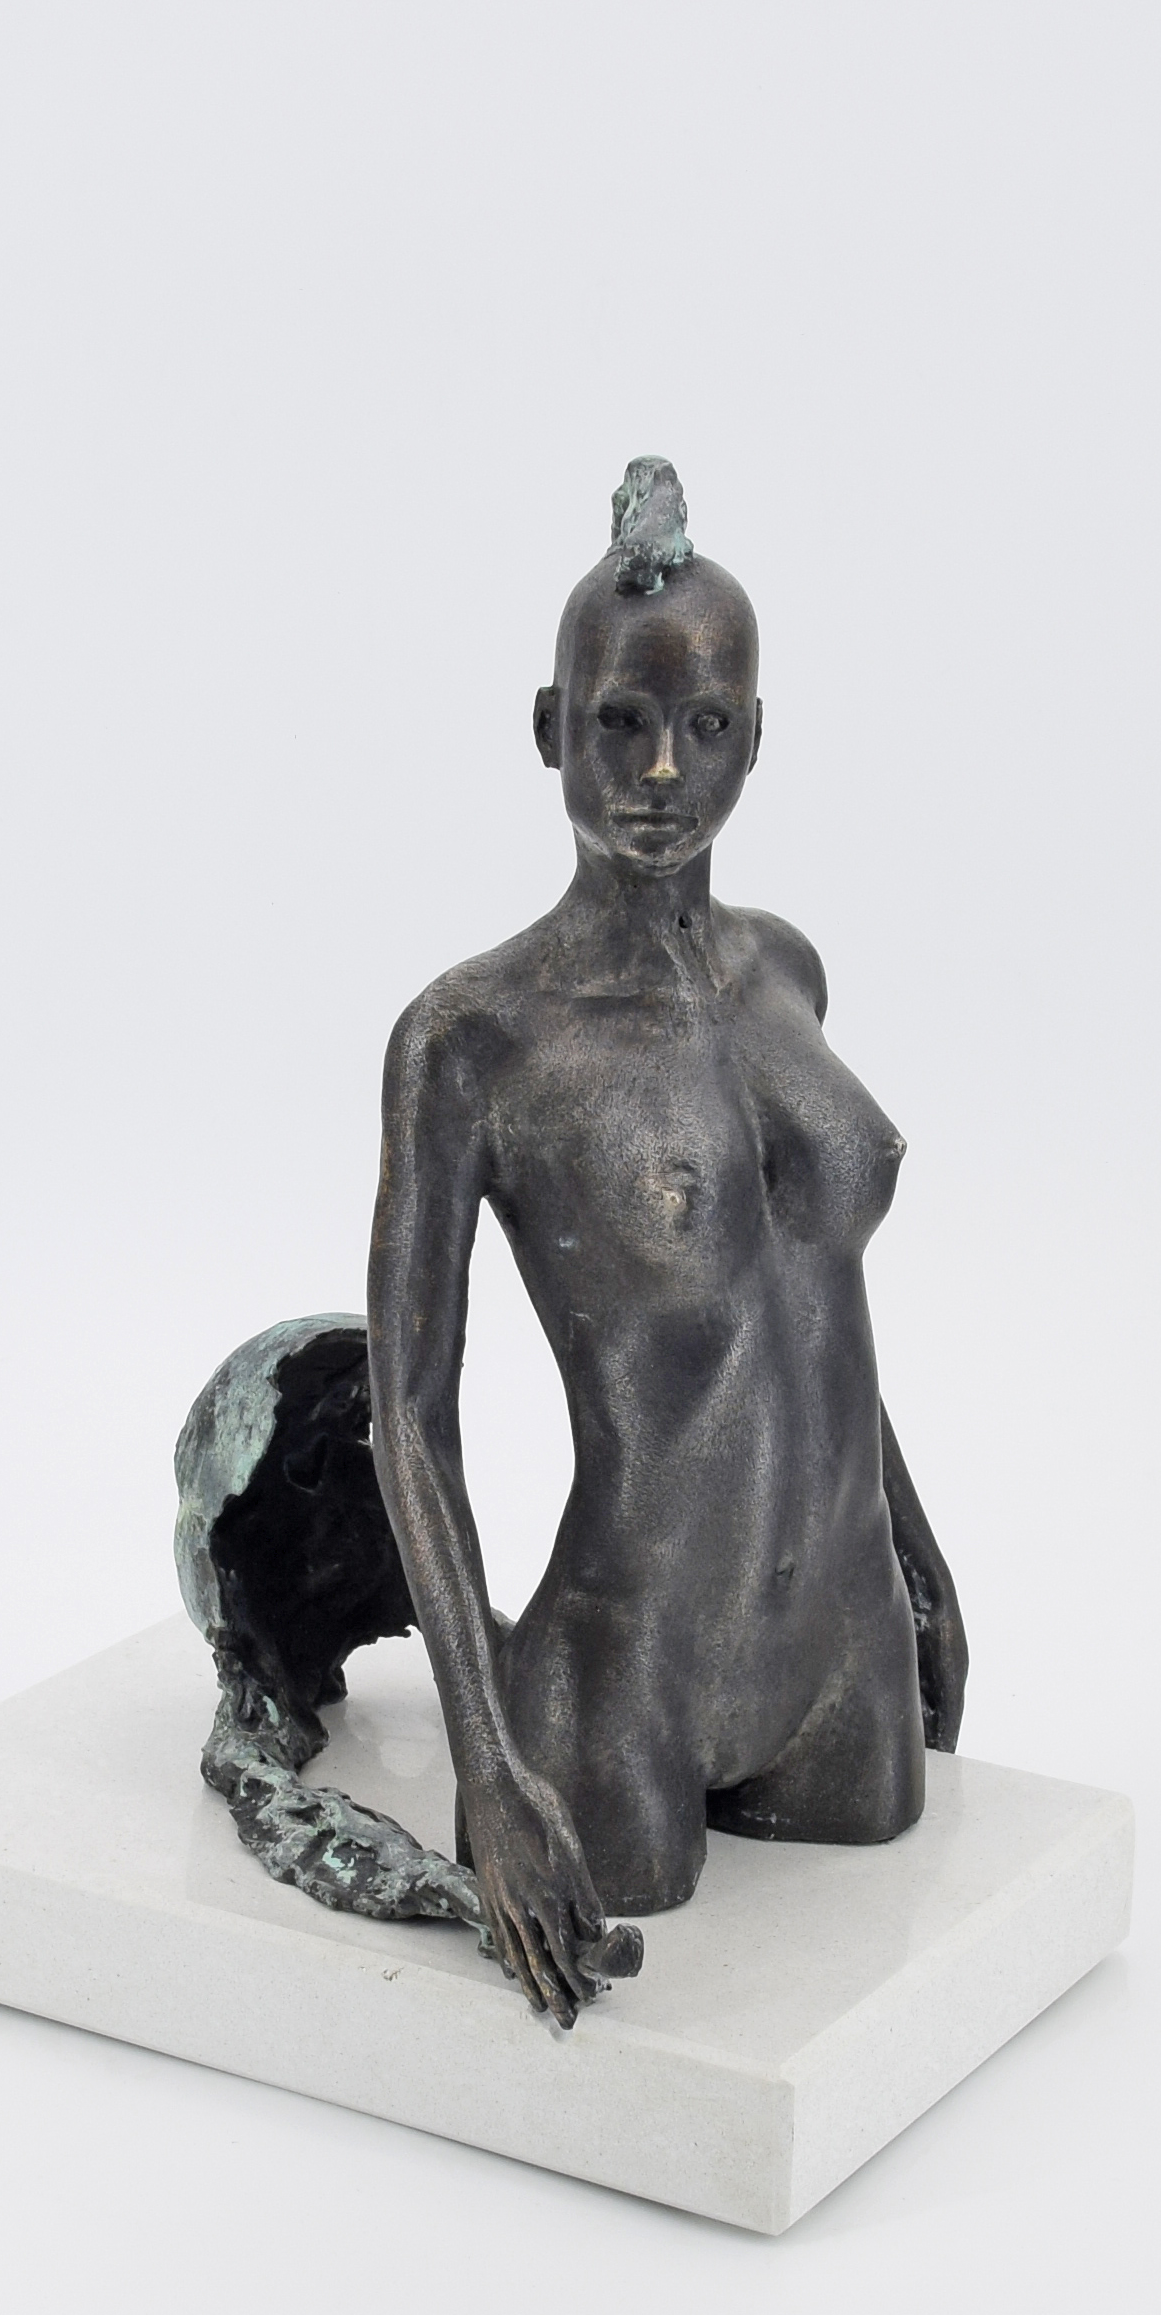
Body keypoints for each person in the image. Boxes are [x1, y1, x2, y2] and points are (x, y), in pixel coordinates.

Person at [368, 460, 967, 2028]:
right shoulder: (477, 1039)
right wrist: (487, 1767)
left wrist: (914, 1546)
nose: (657, 768)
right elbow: (408, 1417)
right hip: (627, 1669)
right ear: (549, 726)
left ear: (755, 737)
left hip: (845, 1637)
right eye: (618, 721)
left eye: (703, 726)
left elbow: (812, 1291)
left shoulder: (788, 973)